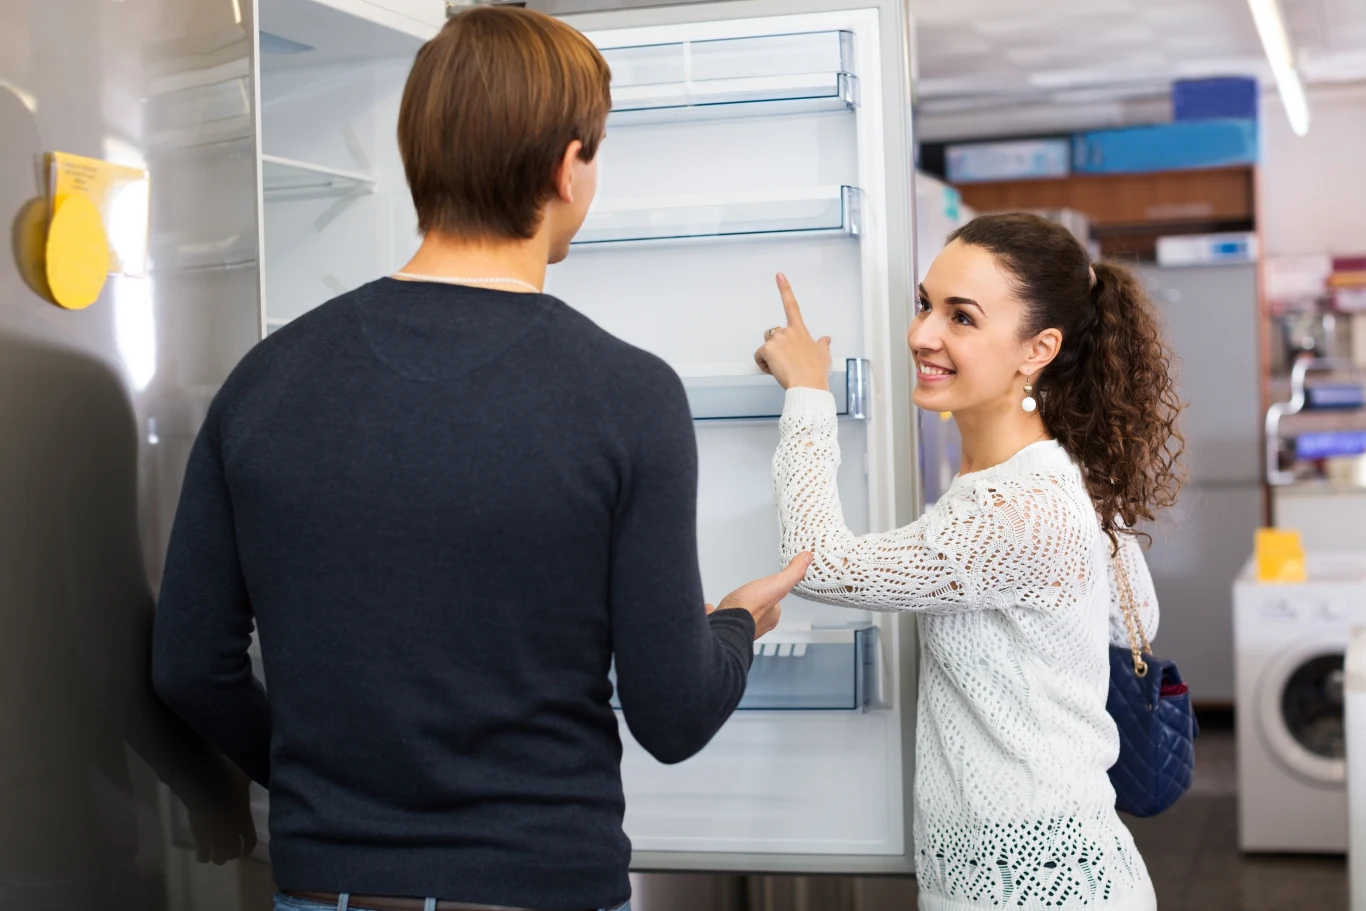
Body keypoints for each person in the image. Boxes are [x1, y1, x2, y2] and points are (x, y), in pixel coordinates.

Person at [151, 7, 811, 911]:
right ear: (566, 166)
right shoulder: (626, 394)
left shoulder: (266, 380)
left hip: (326, 886)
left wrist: (327, 787)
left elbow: (191, 664)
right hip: (540, 884)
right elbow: (673, 713)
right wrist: (734, 626)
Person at [755, 212, 1183, 911]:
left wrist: (808, 394)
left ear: (1038, 348)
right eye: (926, 304)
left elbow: (819, 563)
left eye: (962, 317)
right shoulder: (1051, 474)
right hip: (1042, 875)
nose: (923, 333)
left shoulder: (1017, 506)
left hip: (1036, 891)